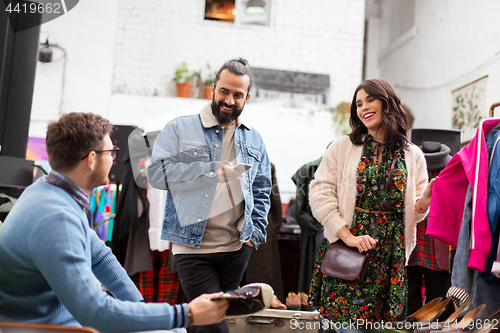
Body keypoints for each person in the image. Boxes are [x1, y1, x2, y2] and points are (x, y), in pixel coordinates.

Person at [0, 112, 228, 333]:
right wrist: (187, 314)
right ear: (91, 159)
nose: (113, 158)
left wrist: (141, 309)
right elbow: (97, 313)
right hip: (48, 329)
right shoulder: (55, 217)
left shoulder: (50, 193)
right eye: (111, 152)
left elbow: (100, 256)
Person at [147, 58, 272, 333]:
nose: (229, 100)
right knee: (215, 326)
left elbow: (262, 190)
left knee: (207, 323)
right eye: (224, 91)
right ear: (213, 89)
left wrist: (254, 235)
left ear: (247, 98)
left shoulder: (254, 139)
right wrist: (209, 171)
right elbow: (156, 175)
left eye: (237, 95)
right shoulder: (180, 129)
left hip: (236, 248)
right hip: (193, 247)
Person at [308, 79, 435, 332]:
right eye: (358, 103)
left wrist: (425, 202)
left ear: (387, 102)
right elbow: (319, 194)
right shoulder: (342, 147)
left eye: (369, 100)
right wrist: (348, 236)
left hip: (390, 257)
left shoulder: (412, 155)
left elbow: (414, 214)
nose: (363, 107)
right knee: (347, 327)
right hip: (349, 249)